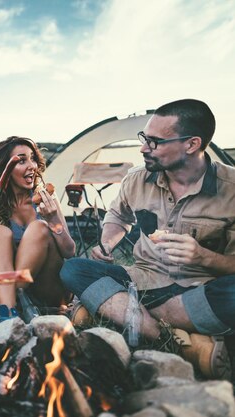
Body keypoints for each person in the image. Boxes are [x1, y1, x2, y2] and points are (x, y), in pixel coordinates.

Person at [60, 99, 235, 380]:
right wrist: (107, 243)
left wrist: (204, 257)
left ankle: (120, 313)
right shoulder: (137, 179)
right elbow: (118, 216)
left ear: (191, 144)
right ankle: (175, 340)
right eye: (144, 137)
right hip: (144, 280)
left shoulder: (232, 189)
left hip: (202, 288)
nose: (143, 147)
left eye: (154, 142)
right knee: (73, 269)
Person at [0, 136, 75, 331]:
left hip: (50, 289)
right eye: (21, 160)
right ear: (6, 168)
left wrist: (53, 219)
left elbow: (69, 251)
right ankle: (8, 317)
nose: (32, 166)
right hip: (17, 291)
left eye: (32, 158)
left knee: (39, 227)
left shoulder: (46, 196)